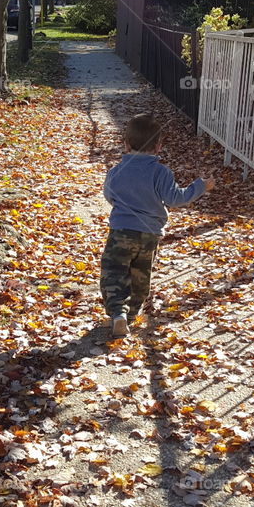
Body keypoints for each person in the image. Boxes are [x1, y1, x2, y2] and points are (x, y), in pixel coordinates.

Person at [100, 112, 214, 338]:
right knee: (141, 274)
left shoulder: (116, 171)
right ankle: (130, 315)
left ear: (125, 144)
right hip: (149, 234)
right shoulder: (161, 172)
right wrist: (200, 186)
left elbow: (109, 195)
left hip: (121, 231)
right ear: (158, 146)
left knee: (114, 271)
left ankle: (118, 314)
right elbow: (175, 199)